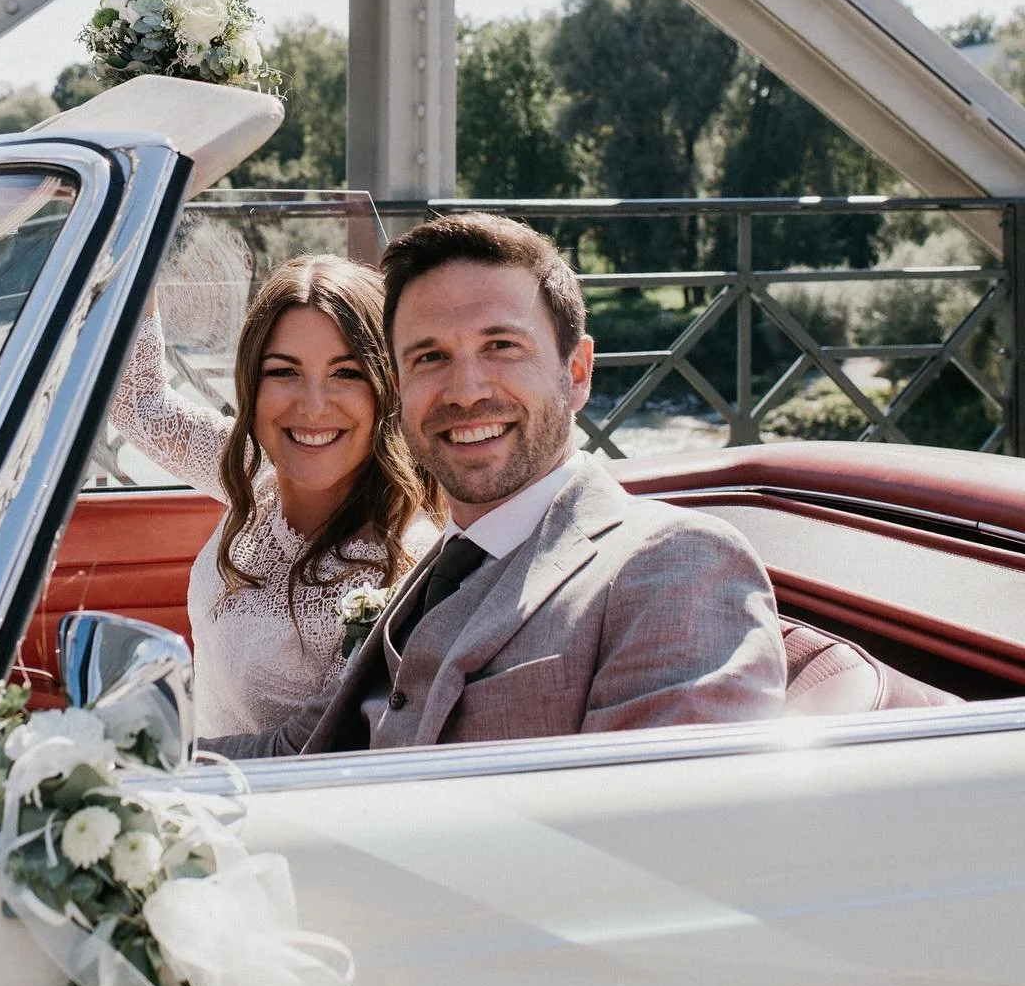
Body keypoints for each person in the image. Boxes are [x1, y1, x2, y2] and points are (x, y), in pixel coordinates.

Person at [205, 213, 786, 759]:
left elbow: (666, 841)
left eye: (500, 347)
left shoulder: (674, 564)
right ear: (399, 390)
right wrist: (130, 759)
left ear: (577, 372)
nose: (465, 391)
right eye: (429, 357)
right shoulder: (436, 568)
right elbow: (311, 747)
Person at [109, 254, 441, 736]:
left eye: (345, 373)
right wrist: (140, 234)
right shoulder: (253, 469)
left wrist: (151, 771)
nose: (312, 406)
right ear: (251, 383)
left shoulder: (397, 572)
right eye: (284, 371)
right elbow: (139, 404)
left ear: (386, 389)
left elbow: (312, 751)